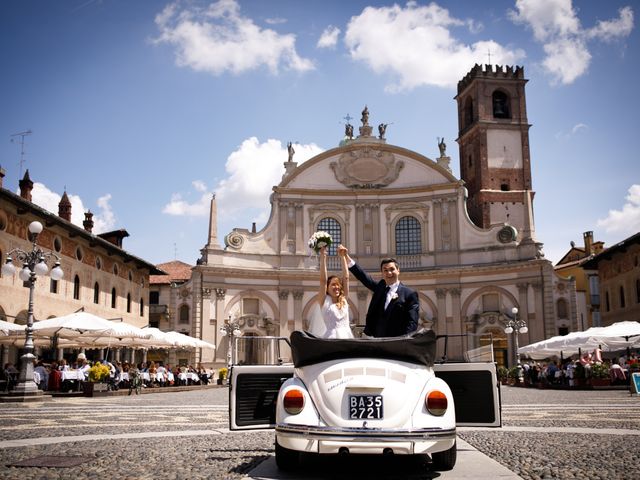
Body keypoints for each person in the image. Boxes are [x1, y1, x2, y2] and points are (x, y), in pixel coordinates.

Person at [339, 245, 419, 337]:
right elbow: (363, 277)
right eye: (385, 270)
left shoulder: (409, 294)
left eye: (392, 269)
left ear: (398, 271)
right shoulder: (380, 288)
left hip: (397, 342)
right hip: (377, 340)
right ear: (382, 273)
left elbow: (412, 322)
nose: (389, 273)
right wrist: (346, 257)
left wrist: (404, 341)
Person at [311, 245, 353, 339]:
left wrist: (343, 257)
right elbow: (323, 280)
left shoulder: (344, 299)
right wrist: (323, 256)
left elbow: (346, 277)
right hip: (331, 338)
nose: (337, 287)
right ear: (327, 288)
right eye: (333, 284)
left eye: (338, 284)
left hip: (346, 337)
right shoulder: (324, 301)